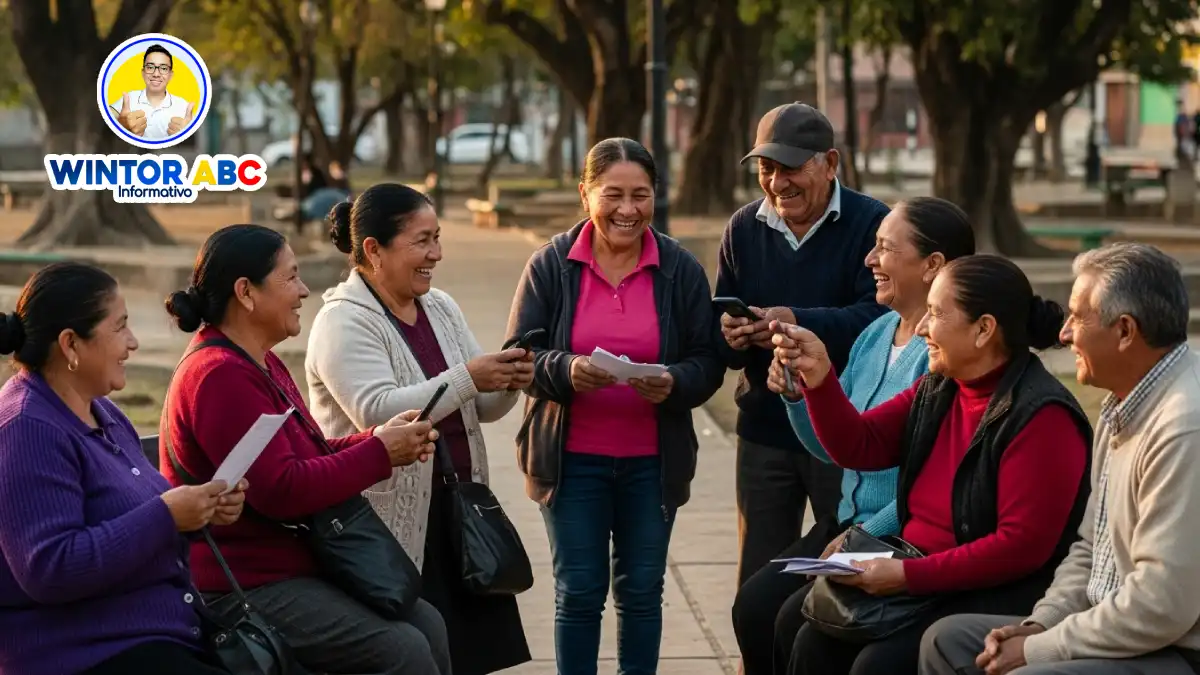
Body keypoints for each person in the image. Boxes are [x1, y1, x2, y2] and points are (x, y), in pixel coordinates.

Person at [770, 254, 1094, 675]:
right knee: (802, 628)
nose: (921, 327)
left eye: (937, 314)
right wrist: (820, 377)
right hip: (916, 568)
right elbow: (861, 445)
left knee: (876, 665)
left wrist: (907, 575)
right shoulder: (940, 386)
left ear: (984, 330)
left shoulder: (1042, 416)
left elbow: (1020, 548)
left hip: (988, 588)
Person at [160, 224, 452, 675]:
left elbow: (304, 451)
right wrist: (379, 455)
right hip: (246, 581)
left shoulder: (257, 358)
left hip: (290, 565)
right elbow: (282, 488)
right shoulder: (219, 375)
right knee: (403, 650)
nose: (303, 290)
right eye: (290, 277)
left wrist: (374, 439)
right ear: (246, 292)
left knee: (426, 621)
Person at [921, 243, 1200, 675]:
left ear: (1125, 330)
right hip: (1111, 626)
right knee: (947, 641)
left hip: (1176, 649)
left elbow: (1162, 606)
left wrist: (1040, 649)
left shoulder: (1184, 425)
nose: (1064, 332)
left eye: (1077, 317)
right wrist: (1040, 624)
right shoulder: (1122, 403)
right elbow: (1090, 547)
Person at [505, 137, 725, 675]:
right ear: (586, 194)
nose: (628, 210)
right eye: (614, 195)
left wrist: (674, 381)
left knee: (643, 593)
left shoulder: (680, 270)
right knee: (579, 592)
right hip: (570, 463)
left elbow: (708, 361)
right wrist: (567, 369)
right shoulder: (551, 266)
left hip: (652, 465)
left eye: (641, 195)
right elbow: (519, 358)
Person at [731, 197, 977, 675]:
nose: (869, 260)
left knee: (791, 623)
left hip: (895, 535)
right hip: (844, 524)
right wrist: (801, 398)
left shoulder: (943, 355)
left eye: (884, 249)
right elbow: (835, 446)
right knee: (753, 604)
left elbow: (930, 481)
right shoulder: (876, 332)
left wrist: (864, 536)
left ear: (933, 266)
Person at [305, 183, 533, 674]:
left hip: (458, 518)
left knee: (471, 658)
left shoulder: (441, 307)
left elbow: (482, 406)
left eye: (438, 238)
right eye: (422, 241)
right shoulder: (343, 321)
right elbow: (377, 411)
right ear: (373, 249)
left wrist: (510, 378)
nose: (437, 254)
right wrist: (469, 377)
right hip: (391, 530)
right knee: (419, 657)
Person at [0, 262, 246, 675]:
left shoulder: (103, 411)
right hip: (88, 654)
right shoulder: (27, 428)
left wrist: (198, 512)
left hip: (165, 634)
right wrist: (167, 514)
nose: (132, 342)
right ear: (71, 344)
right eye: (120, 328)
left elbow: (132, 521)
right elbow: (50, 569)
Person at [717, 102, 890, 588]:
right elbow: (725, 333)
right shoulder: (743, 228)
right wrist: (730, 336)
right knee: (758, 576)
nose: (777, 184)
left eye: (790, 168)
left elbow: (881, 319)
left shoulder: (873, 225)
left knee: (840, 567)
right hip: (765, 430)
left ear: (830, 163)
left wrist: (796, 320)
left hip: (844, 430)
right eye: (766, 169)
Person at [112, 44, 194, 140]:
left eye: (163, 68)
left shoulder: (183, 106)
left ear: (171, 75)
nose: (156, 74)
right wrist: (120, 125)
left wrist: (187, 134)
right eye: (150, 67)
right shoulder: (128, 100)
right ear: (143, 73)